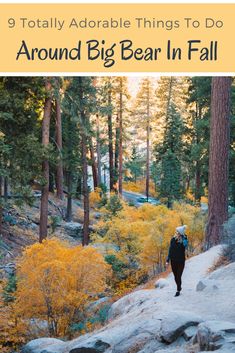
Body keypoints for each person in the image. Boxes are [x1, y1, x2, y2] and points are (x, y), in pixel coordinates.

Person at [166, 225, 188, 297]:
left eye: (177, 232)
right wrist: (167, 260)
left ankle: (178, 290)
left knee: (178, 276)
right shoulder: (172, 239)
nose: (176, 233)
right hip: (173, 260)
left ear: (180, 233)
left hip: (181, 261)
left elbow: (185, 245)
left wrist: (184, 238)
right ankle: (179, 286)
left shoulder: (184, 239)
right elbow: (170, 250)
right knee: (175, 276)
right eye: (176, 231)